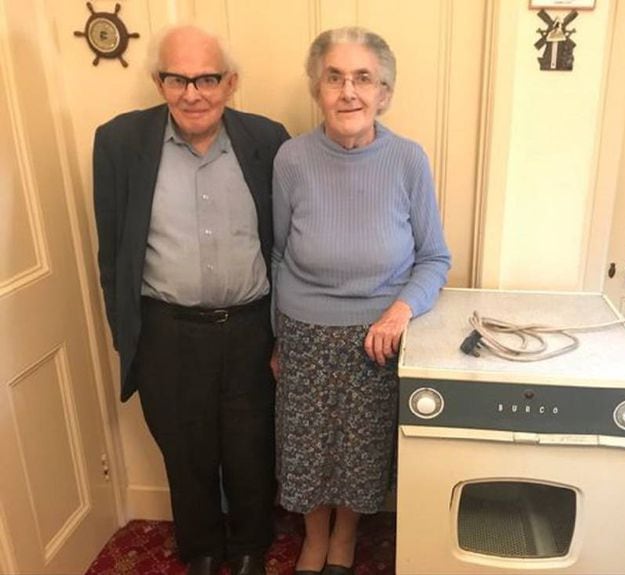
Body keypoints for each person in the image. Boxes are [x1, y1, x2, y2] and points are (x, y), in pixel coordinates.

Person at [92, 24, 289, 575]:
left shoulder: (268, 139)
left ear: (230, 82)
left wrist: (284, 334)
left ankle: (250, 545)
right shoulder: (119, 143)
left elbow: (288, 241)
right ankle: (200, 548)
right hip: (166, 331)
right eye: (177, 79)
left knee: (251, 443)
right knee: (184, 447)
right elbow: (112, 253)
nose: (192, 94)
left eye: (206, 79)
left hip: (251, 327)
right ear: (159, 83)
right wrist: (126, 335)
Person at [271, 27, 451, 575]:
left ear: (384, 93)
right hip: (303, 335)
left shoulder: (408, 160)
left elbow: (434, 258)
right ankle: (314, 539)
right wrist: (277, 339)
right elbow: (277, 254)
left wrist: (399, 312)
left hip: (376, 339)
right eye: (335, 78)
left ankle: (344, 538)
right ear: (317, 90)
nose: (348, 91)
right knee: (306, 452)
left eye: (363, 78)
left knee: (359, 454)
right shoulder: (291, 159)